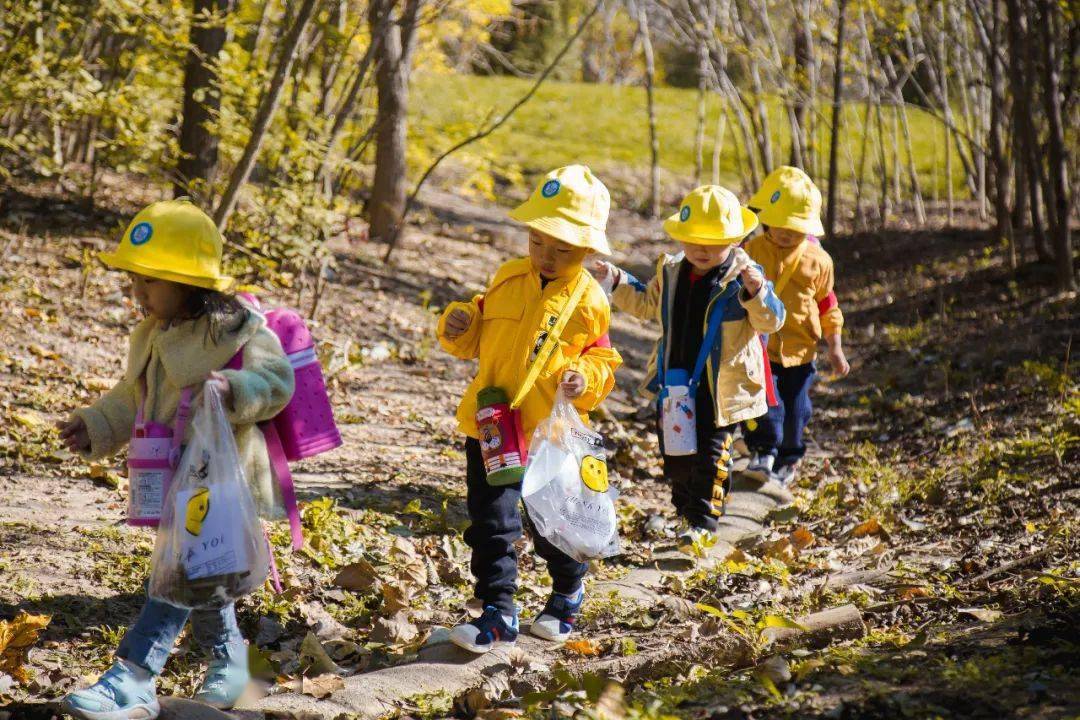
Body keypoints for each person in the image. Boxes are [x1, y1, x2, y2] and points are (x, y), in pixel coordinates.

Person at [58, 199, 295, 718]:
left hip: (223, 481)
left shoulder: (237, 331)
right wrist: (95, 423)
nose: (137, 293)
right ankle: (235, 671)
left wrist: (233, 389)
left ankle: (133, 677)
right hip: (170, 475)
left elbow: (278, 383)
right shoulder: (151, 335)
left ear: (189, 282)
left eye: (150, 282)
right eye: (135, 281)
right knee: (204, 576)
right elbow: (131, 396)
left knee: (179, 573)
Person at [436, 165, 622, 652]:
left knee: (550, 524)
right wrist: (458, 327)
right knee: (491, 522)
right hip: (493, 427)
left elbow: (603, 358)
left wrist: (586, 380)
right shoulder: (506, 278)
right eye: (538, 241)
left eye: (562, 249)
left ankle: (567, 589)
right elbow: (478, 338)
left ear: (588, 251)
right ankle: (498, 610)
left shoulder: (589, 301)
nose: (546, 256)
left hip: (549, 435)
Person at [592, 185, 785, 552]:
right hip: (676, 381)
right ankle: (685, 512)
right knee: (677, 457)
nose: (701, 249)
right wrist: (617, 281)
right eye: (693, 240)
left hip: (723, 388)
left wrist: (758, 292)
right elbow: (648, 304)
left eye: (713, 242)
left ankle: (703, 522)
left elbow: (771, 321)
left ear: (734, 239)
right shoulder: (671, 271)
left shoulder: (743, 277)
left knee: (712, 455)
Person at [741, 166, 849, 485]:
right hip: (759, 347)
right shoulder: (752, 251)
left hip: (801, 350)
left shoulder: (818, 260)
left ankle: (789, 457)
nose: (786, 233)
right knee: (764, 404)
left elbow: (828, 305)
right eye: (779, 224)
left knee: (797, 410)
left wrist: (836, 348)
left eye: (795, 226)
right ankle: (763, 452)